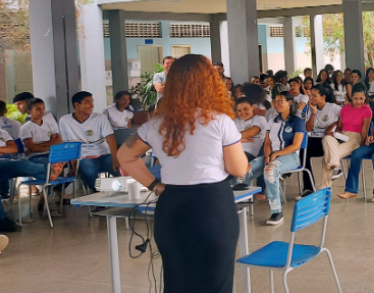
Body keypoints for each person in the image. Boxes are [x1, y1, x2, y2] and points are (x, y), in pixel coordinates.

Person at [117, 54, 247, 293]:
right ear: (210, 82)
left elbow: (124, 156)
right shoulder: (221, 122)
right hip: (213, 206)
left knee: (177, 283)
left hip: (172, 206)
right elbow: (238, 169)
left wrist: (155, 185)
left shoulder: (153, 125)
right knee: (215, 283)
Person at [241, 90, 305, 226]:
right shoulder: (272, 121)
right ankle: (241, 206)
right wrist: (268, 154)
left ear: (289, 103)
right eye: (275, 101)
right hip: (272, 154)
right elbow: (268, 142)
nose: (277, 103)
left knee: (269, 170)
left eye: (280, 100)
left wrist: (276, 154)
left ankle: (277, 212)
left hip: (291, 157)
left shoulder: (297, 121)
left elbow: (296, 145)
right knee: (245, 170)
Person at [59, 91, 119, 193]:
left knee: (120, 170)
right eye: (87, 102)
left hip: (104, 155)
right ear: (77, 105)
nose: (92, 105)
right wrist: (73, 167)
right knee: (89, 170)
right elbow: (69, 146)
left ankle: (126, 195)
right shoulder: (65, 121)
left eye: (92, 101)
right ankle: (98, 196)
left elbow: (110, 139)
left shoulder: (100, 118)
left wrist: (115, 158)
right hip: (84, 157)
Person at [322, 84, 370, 188]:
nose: (358, 101)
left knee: (329, 156)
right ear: (351, 97)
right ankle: (335, 168)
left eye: (361, 98)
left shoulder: (367, 110)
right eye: (356, 98)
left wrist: (361, 148)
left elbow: (365, 130)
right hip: (342, 135)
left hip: (355, 139)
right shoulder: (345, 109)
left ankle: (325, 187)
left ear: (365, 98)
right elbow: (339, 126)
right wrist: (335, 135)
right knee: (327, 138)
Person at [302, 84, 341, 195]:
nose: (311, 98)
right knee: (303, 151)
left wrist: (334, 124)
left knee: (326, 140)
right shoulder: (311, 108)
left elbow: (346, 118)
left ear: (323, 97)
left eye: (314, 96)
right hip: (316, 140)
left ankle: (335, 169)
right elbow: (308, 128)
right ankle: (308, 188)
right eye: (311, 95)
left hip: (331, 141)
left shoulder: (333, 107)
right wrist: (313, 113)